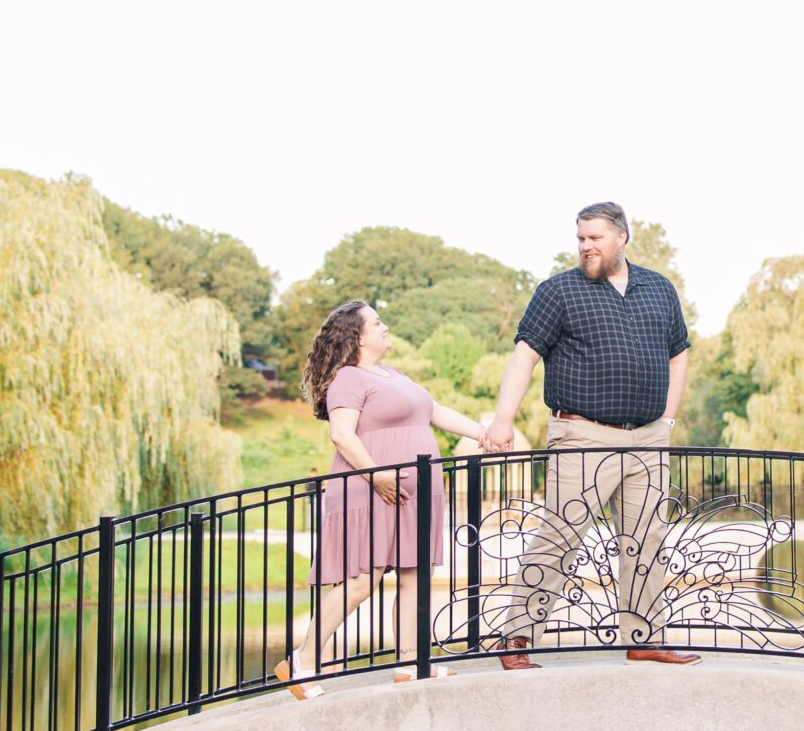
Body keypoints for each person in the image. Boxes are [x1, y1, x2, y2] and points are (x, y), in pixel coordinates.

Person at [479, 201, 700, 667]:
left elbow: (678, 353)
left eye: (595, 238)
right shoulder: (558, 290)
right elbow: (525, 355)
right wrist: (503, 419)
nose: (585, 246)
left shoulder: (659, 289)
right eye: (580, 238)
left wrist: (668, 418)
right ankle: (517, 637)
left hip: (648, 439)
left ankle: (644, 637)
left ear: (622, 237)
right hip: (583, 436)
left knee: (646, 540)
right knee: (560, 535)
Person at [277, 299, 492, 699]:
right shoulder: (348, 379)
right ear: (357, 336)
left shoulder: (392, 374)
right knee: (362, 581)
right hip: (369, 489)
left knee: (414, 575)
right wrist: (377, 477)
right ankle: (303, 660)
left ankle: (412, 664)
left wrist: (485, 433)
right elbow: (342, 434)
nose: (385, 327)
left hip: (412, 493)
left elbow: (436, 411)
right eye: (377, 323)